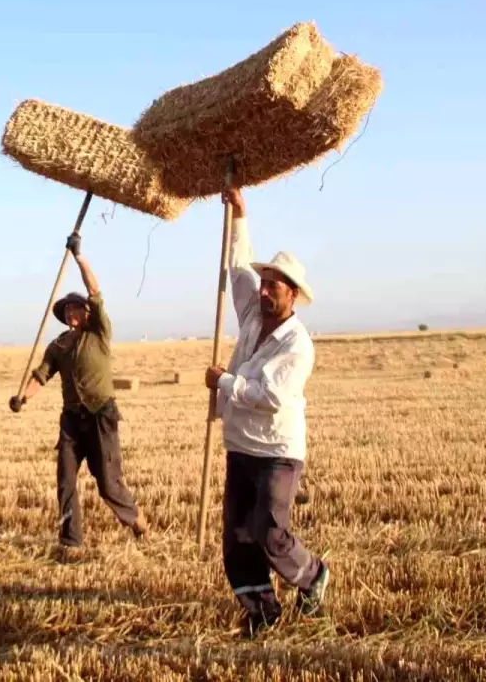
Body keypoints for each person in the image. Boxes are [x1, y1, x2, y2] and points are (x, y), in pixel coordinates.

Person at [205, 187, 329, 637]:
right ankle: (262, 612)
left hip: (277, 449)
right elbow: (237, 269)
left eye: (273, 284)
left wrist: (223, 381)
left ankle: (313, 575)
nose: (263, 289)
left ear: (292, 295)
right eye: (264, 283)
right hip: (240, 446)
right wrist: (239, 214)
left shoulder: (298, 346)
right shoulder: (253, 318)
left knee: (269, 531)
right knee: (237, 538)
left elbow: (268, 395)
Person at [10, 232, 148, 549]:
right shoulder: (58, 345)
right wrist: (22, 399)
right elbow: (41, 376)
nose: (73, 312)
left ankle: (137, 521)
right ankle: (71, 541)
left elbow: (95, 290)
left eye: (78, 308)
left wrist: (78, 256)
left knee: (108, 485)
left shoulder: (99, 332)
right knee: (65, 482)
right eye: (68, 309)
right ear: (63, 315)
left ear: (87, 312)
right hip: (71, 421)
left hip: (101, 414)